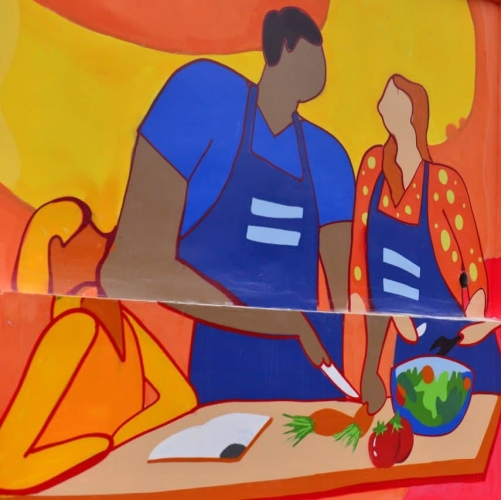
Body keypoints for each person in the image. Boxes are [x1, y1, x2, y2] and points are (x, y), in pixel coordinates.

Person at [101, 7, 385, 410]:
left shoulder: (330, 158)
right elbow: (129, 268)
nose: (323, 60)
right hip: (220, 378)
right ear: (285, 48)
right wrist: (277, 321)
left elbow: (348, 298)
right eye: (313, 46)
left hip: (313, 375)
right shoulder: (202, 98)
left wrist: (369, 368)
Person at [0, 199, 197, 494]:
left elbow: (180, 399)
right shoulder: (74, 328)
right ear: (59, 255)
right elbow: (7, 467)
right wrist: (97, 447)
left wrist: (116, 443)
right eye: (93, 235)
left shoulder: (122, 321)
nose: (110, 244)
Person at [349, 75, 501, 394]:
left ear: (412, 112)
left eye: (394, 95)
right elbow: (358, 266)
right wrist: (365, 357)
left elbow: (474, 273)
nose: (382, 101)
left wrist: (472, 328)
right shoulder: (374, 167)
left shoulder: (444, 184)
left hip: (454, 343)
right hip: (405, 348)